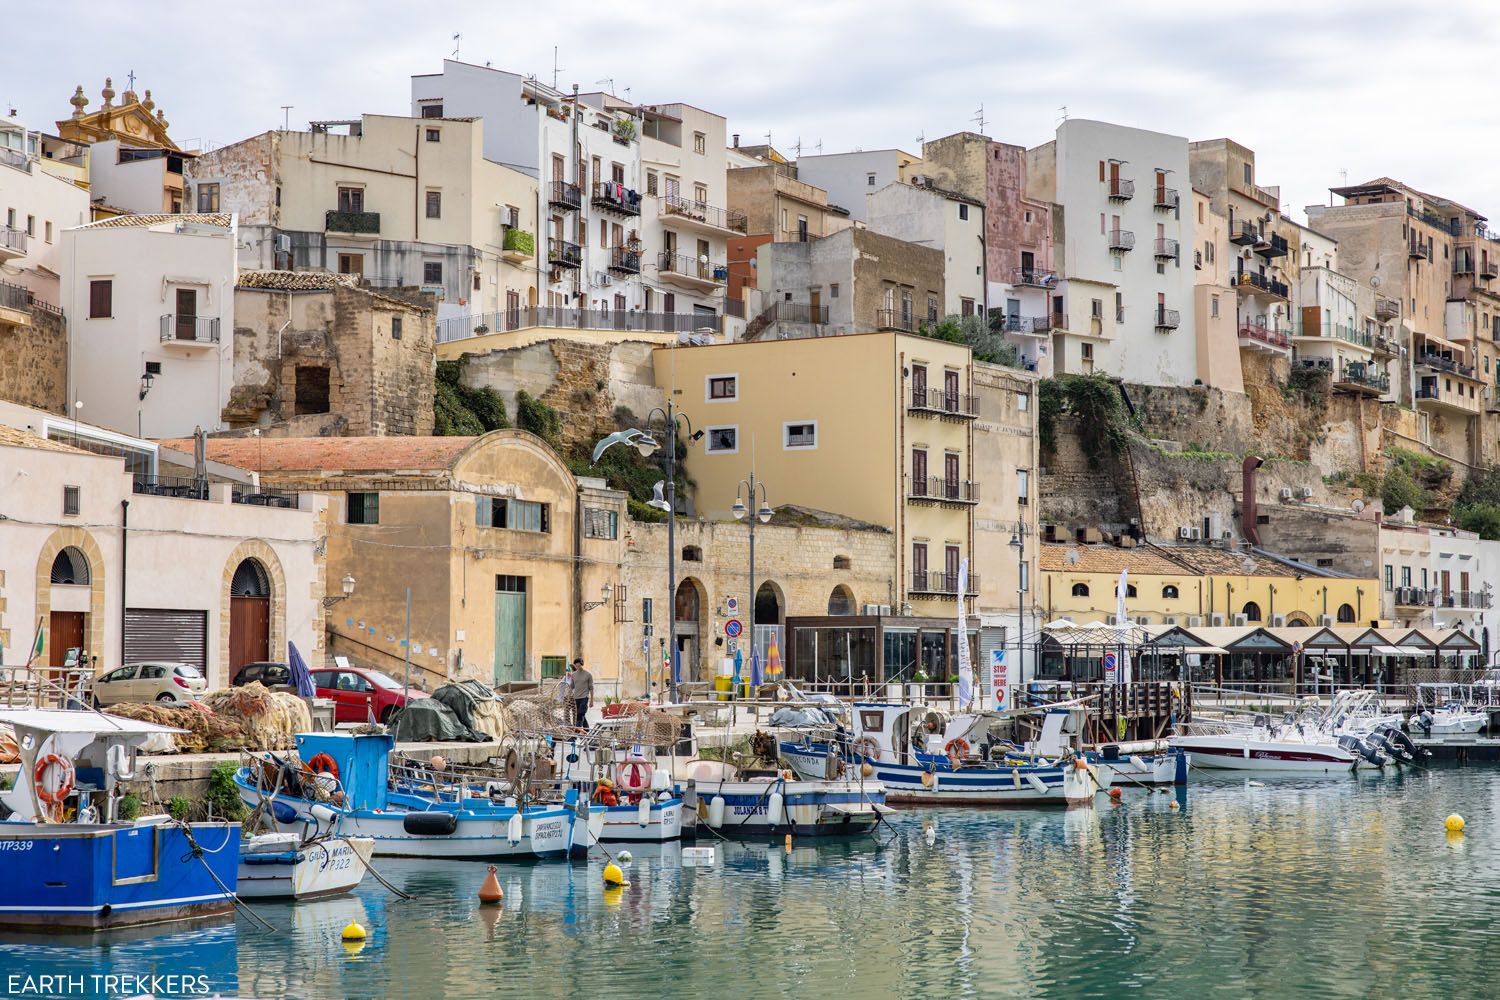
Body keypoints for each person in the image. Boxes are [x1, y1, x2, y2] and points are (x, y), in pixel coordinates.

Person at [570, 657, 594, 730]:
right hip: (576, 698)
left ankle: (577, 730)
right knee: (580, 714)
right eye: (576, 666)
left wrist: (591, 701)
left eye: (579, 666)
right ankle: (587, 730)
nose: (577, 667)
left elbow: (591, 688)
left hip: (584, 697)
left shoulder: (588, 675)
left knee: (580, 714)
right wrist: (568, 696)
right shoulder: (573, 675)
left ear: (582, 665)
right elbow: (571, 686)